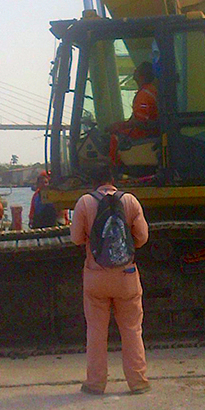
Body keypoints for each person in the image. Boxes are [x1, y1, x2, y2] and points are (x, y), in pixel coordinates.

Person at [69, 159, 151, 395]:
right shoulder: (130, 200)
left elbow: (76, 238)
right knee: (132, 330)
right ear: (113, 180)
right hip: (126, 276)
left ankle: (95, 383)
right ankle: (138, 382)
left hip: (96, 277)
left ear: (93, 182)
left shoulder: (85, 202)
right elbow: (142, 237)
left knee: (96, 332)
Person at [110, 61, 160, 163]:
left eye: (136, 71)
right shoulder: (152, 90)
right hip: (153, 131)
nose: (134, 74)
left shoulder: (144, 95)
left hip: (146, 134)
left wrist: (119, 126)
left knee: (115, 137)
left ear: (141, 76)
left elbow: (140, 122)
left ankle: (116, 168)